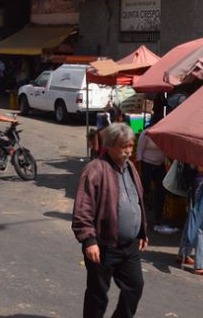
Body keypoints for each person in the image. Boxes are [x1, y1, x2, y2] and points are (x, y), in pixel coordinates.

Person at [72, 122, 147, 318]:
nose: (128, 151)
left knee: (135, 286)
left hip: (129, 247)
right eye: (124, 146)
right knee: (98, 295)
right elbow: (83, 208)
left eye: (131, 146)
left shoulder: (130, 167)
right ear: (111, 145)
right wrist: (89, 241)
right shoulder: (95, 169)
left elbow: (136, 200)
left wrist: (141, 232)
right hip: (104, 246)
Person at [136, 126, 176, 234]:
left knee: (161, 192)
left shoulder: (165, 135)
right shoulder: (145, 134)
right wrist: (140, 172)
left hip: (160, 166)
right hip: (146, 165)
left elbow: (168, 151)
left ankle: (158, 218)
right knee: (143, 191)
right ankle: (139, 219)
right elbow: (139, 153)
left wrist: (173, 164)